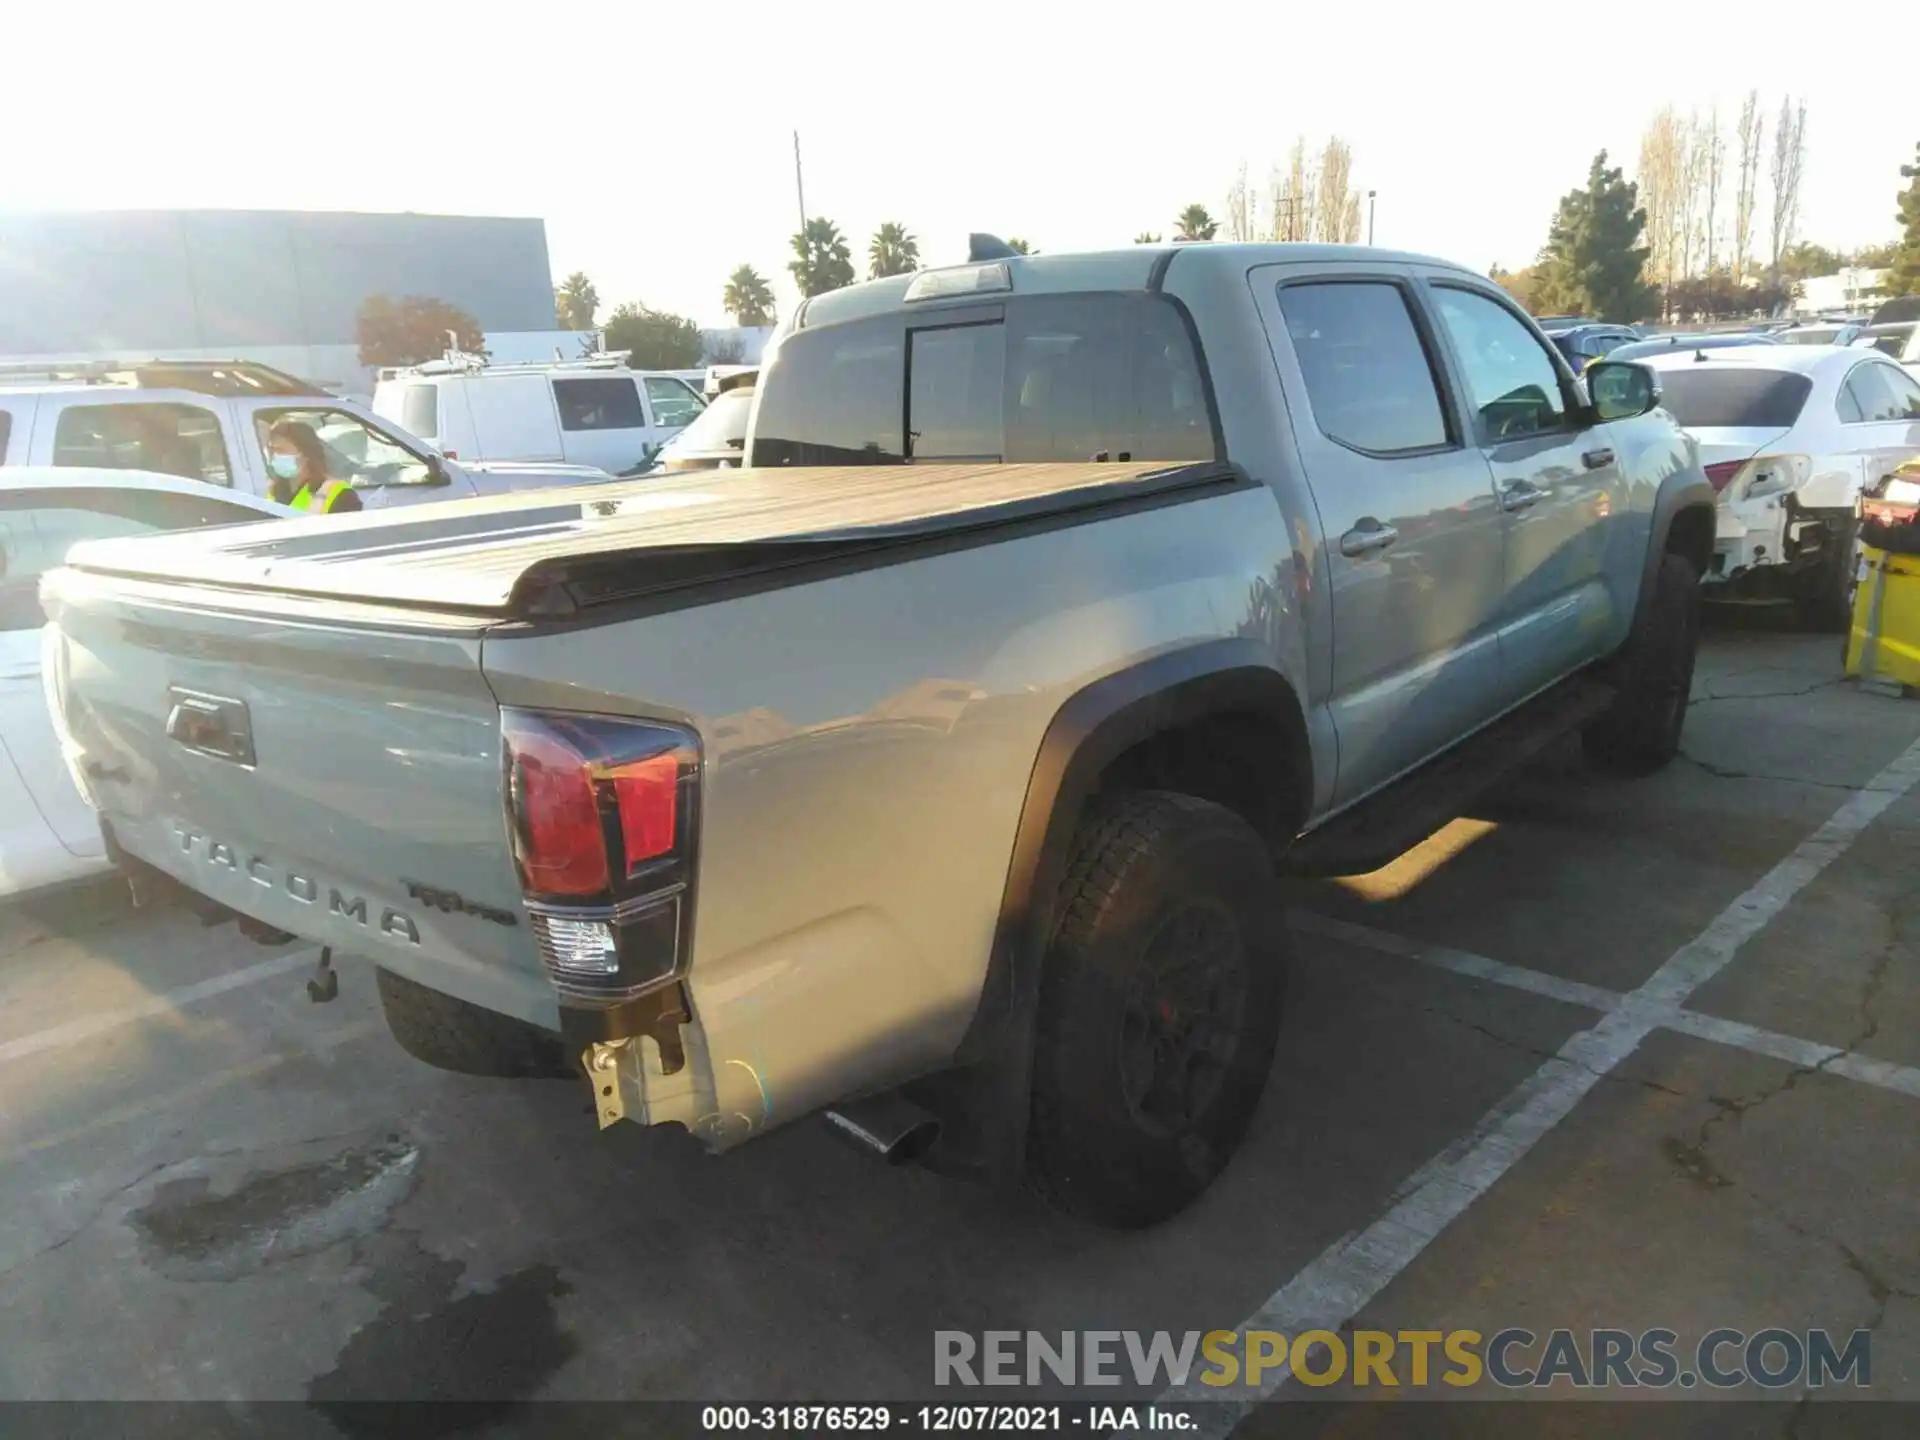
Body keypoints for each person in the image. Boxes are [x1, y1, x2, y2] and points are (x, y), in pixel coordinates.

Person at [265, 419, 362, 514]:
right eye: (272, 451)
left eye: (280, 451)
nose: (274, 456)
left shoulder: (340, 494)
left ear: (306, 454)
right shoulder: (273, 492)